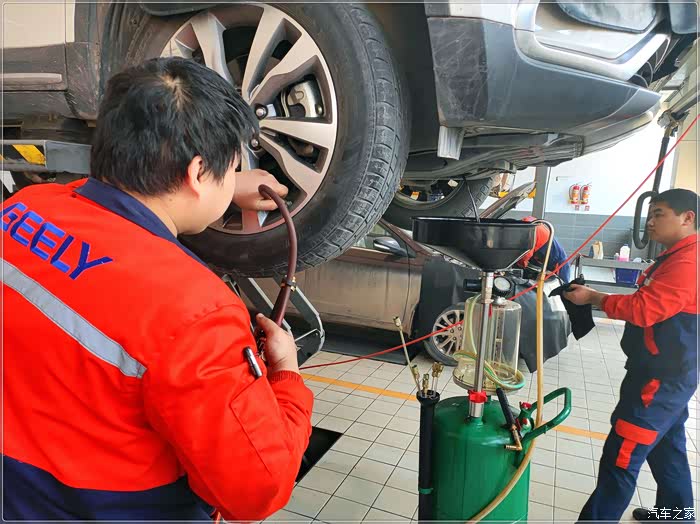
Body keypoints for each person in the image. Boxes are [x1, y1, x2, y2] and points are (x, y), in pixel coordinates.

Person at [2, 57, 313, 521]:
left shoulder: (24, 210)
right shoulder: (195, 312)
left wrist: (225, 184)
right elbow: (257, 492)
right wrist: (286, 376)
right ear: (197, 173)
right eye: (231, 167)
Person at [564, 189, 699, 522]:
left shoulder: (688, 262)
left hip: (658, 382)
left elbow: (644, 309)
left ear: (687, 218)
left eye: (658, 214)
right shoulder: (677, 256)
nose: (650, 222)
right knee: (668, 453)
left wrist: (593, 298)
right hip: (669, 374)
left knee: (621, 460)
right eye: (649, 215)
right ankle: (677, 517)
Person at [517, 216, 571, 282]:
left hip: (557, 261)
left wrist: (520, 264)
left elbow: (527, 253)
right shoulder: (528, 223)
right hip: (546, 253)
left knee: (562, 284)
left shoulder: (528, 228)